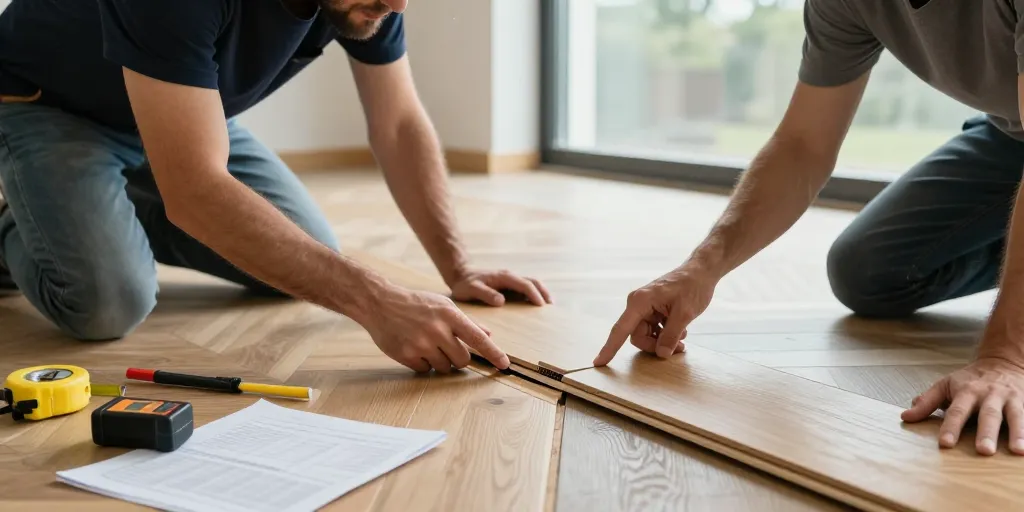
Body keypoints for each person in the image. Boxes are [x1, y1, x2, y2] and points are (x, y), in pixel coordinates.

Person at [0, 0, 552, 374]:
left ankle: (106, 206)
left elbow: (399, 124)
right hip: (51, 106)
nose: (399, 4)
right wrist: (377, 301)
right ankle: (16, 224)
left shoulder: (372, 1)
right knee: (108, 306)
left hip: (186, 116)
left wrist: (458, 267)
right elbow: (195, 189)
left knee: (307, 255)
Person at [595, 0, 1024, 456]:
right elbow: (803, 145)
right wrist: (701, 268)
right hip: (1009, 135)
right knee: (869, 271)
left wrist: (1007, 355)